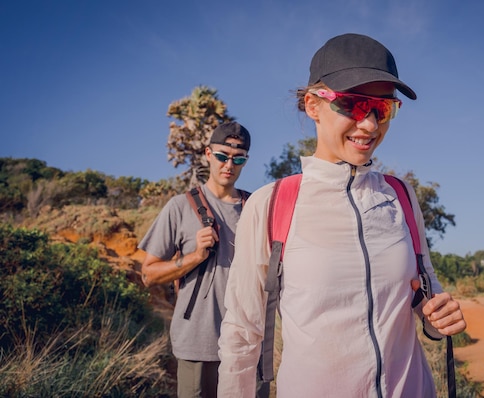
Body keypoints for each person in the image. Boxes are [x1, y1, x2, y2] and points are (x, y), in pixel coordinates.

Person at [217, 33, 467, 397]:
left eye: (382, 108)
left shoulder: (400, 196)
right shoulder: (271, 203)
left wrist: (437, 317)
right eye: (352, 104)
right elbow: (242, 332)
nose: (368, 125)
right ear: (313, 105)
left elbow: (424, 290)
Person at [139, 121, 262, 398]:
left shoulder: (256, 208)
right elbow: (148, 274)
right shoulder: (180, 207)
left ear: (245, 161)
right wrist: (194, 256)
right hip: (197, 342)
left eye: (238, 158)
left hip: (245, 342)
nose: (229, 164)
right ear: (208, 153)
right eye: (222, 156)